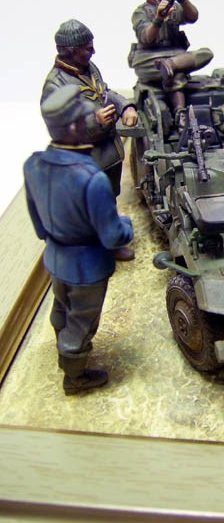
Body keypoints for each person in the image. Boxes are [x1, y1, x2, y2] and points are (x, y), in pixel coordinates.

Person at [24, 85, 134, 395]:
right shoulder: (92, 178)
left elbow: (37, 223)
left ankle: (62, 342)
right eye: (86, 120)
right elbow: (112, 235)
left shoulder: (33, 164)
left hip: (55, 257)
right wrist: (127, 227)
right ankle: (75, 376)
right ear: (74, 127)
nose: (92, 124)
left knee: (61, 306)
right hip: (88, 266)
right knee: (83, 320)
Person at [41, 19, 137, 259]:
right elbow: (58, 129)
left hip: (109, 154)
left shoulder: (89, 67)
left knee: (108, 201)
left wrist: (125, 106)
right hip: (86, 162)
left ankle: (110, 241)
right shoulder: (55, 85)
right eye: (87, 48)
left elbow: (105, 92)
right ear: (70, 51)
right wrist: (95, 121)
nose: (93, 51)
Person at [129, 0, 213, 124]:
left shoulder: (174, 6)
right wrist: (159, 18)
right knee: (175, 74)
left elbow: (193, 16)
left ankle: (170, 65)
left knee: (205, 53)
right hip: (148, 60)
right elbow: (146, 38)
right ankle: (180, 113)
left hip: (175, 56)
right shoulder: (141, 12)